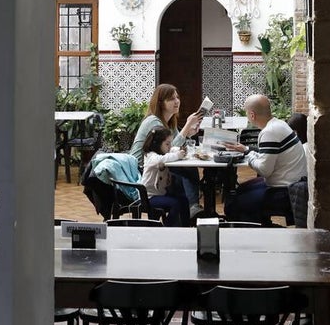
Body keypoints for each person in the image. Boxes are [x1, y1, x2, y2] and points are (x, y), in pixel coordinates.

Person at [222, 94, 308, 226]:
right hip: (293, 183)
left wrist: (249, 156)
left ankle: (266, 233)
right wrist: (245, 149)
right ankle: (262, 223)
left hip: (286, 191)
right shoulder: (279, 124)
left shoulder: (269, 132)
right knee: (240, 191)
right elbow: (268, 156)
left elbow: (264, 170)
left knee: (233, 204)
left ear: (252, 115)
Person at [128, 84, 204, 217]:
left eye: (177, 97)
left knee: (186, 171)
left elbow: (175, 146)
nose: (177, 101)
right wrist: (187, 127)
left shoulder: (169, 122)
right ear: (161, 103)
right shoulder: (154, 122)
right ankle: (190, 208)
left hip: (160, 164)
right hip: (143, 168)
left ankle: (187, 209)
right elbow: (167, 151)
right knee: (186, 172)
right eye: (171, 99)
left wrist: (189, 133)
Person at [140, 126, 191, 227]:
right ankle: (167, 227)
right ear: (157, 144)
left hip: (161, 193)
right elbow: (161, 160)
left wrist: (178, 150)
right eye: (167, 144)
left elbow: (171, 150)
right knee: (175, 203)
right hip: (150, 196)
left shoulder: (163, 152)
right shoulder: (150, 156)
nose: (169, 146)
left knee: (184, 199)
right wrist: (177, 155)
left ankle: (186, 227)